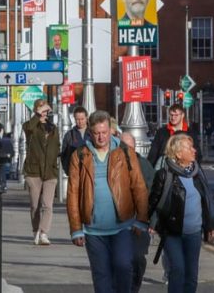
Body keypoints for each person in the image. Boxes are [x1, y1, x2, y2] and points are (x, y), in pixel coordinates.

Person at [67, 110, 149, 293]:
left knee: (123, 266)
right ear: (90, 132)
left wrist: (141, 219)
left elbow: (139, 186)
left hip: (123, 226)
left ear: (110, 130)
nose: (101, 137)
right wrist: (76, 228)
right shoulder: (79, 156)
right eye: (97, 133)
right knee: (101, 275)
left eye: (104, 132)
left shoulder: (125, 152)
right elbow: (73, 193)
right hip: (93, 229)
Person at [148, 134, 214, 293]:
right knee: (178, 270)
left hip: (194, 233)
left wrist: (211, 225)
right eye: (189, 148)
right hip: (172, 233)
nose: (194, 150)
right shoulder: (164, 175)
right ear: (178, 154)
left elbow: (207, 200)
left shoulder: (198, 173)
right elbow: (153, 202)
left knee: (191, 275)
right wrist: (152, 223)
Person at [120, 132, 155, 292]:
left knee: (138, 258)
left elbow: (154, 194)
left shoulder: (144, 165)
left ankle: (134, 288)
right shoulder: (111, 164)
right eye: (123, 147)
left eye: (130, 147)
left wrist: (153, 220)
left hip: (139, 222)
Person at [23, 99, 60, 246]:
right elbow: (28, 128)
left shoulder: (53, 128)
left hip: (50, 172)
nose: (45, 112)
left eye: (46, 110)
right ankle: (35, 231)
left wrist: (55, 160)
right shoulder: (30, 126)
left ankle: (44, 233)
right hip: (34, 171)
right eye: (41, 109)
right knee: (35, 205)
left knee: (47, 205)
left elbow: (56, 146)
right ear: (36, 110)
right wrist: (38, 115)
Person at [61, 106, 89, 173]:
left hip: (89, 171)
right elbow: (64, 154)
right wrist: (68, 170)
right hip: (74, 171)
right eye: (77, 119)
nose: (80, 122)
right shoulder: (69, 135)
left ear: (86, 118)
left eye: (82, 119)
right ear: (74, 119)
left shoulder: (93, 133)